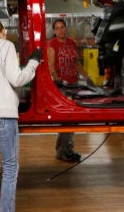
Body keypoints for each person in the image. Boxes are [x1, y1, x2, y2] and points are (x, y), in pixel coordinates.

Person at [0, 19, 41, 212]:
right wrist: (33, 63)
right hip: (4, 114)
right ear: (3, 31)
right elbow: (17, 78)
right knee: (10, 168)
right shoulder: (7, 46)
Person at [47, 18, 91, 162]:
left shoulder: (71, 42)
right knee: (67, 119)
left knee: (74, 120)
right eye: (57, 28)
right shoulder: (52, 44)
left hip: (74, 83)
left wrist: (87, 77)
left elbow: (76, 63)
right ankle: (61, 151)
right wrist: (56, 77)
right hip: (62, 86)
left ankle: (68, 148)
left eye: (62, 27)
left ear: (66, 28)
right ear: (54, 31)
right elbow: (51, 64)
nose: (60, 30)